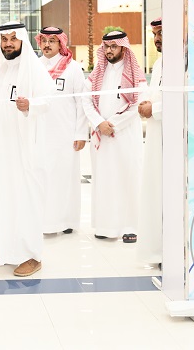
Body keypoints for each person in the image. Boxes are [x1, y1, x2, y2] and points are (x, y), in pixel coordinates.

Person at [0, 22, 55, 277]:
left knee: (27, 199)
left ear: (22, 41)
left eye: (13, 39)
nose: (8, 44)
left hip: (25, 149)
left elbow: (50, 99)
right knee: (4, 198)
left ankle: (32, 255)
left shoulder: (34, 69)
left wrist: (30, 105)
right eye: (4, 39)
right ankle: (6, 250)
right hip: (1, 148)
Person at [82, 30, 146, 243]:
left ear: (123, 48)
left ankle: (131, 226)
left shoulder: (135, 73)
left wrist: (113, 124)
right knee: (104, 179)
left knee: (128, 178)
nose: (109, 50)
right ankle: (105, 226)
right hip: (101, 134)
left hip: (125, 135)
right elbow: (86, 100)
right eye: (106, 47)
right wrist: (99, 123)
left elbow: (138, 103)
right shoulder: (97, 73)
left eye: (113, 46)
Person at [35, 27, 87, 235]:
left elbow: (81, 102)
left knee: (65, 178)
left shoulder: (73, 68)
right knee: (41, 177)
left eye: (52, 41)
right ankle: (43, 221)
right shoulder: (34, 67)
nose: (47, 45)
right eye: (44, 40)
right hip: (39, 134)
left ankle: (67, 221)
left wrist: (80, 133)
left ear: (61, 44)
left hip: (65, 134)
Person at [137, 18, 163, 265]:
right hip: (156, 137)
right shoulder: (159, 64)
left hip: (174, 141)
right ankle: (159, 250)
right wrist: (145, 104)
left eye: (161, 33)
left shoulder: (186, 64)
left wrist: (154, 109)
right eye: (154, 34)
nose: (157, 39)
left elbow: (188, 100)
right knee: (156, 192)